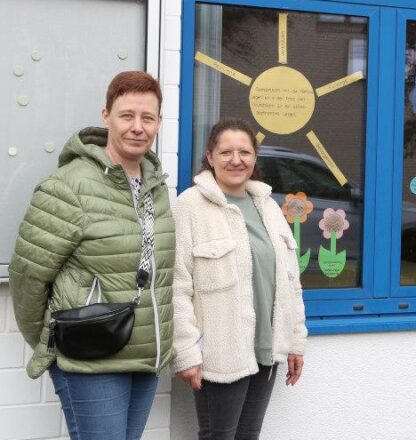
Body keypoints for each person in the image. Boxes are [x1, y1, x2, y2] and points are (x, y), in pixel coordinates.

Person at [9, 71, 175, 440]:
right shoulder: (68, 186)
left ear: (159, 122)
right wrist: (52, 340)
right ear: (106, 116)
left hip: (146, 356)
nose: (137, 127)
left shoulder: (156, 185)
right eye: (126, 115)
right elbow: (27, 276)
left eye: (147, 118)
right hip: (91, 360)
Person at [171, 119, 308, 440]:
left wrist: (295, 342)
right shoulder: (190, 206)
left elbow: (291, 283)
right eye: (226, 152)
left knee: (248, 436)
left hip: (266, 348)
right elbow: (177, 287)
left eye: (244, 152)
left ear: (255, 157)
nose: (236, 160)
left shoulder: (268, 207)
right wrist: (186, 353)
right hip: (220, 352)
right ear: (210, 156)